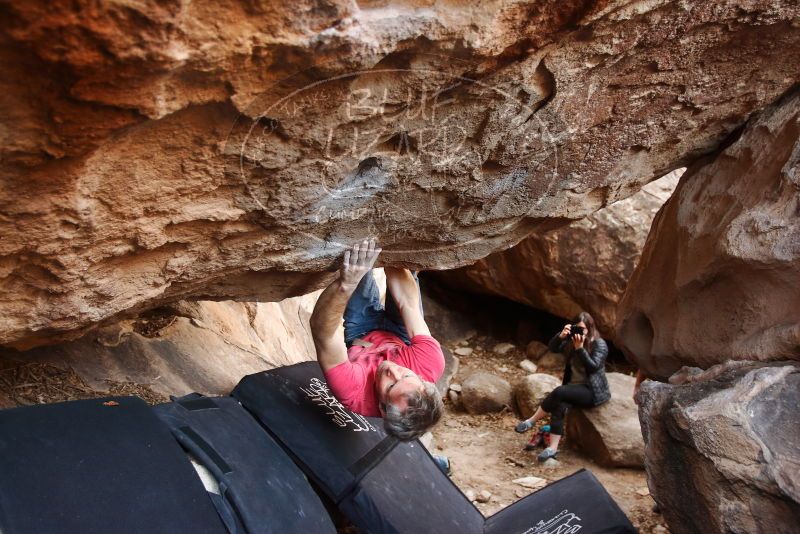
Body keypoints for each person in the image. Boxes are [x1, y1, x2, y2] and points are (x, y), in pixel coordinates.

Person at [310, 238, 445, 442]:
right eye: (406, 376)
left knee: (354, 263)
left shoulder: (353, 394)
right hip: (401, 335)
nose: (393, 371)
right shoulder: (429, 364)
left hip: (361, 334)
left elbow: (323, 332)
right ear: (423, 382)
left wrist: (346, 285)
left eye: (391, 386)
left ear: (382, 408)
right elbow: (408, 304)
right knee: (403, 261)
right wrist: (390, 250)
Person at [513, 312, 611, 462]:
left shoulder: (599, 344)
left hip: (591, 391)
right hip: (573, 388)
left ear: (590, 329)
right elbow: (553, 348)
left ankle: (531, 421)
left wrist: (580, 349)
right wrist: (561, 336)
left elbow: (593, 367)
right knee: (558, 406)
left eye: (583, 329)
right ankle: (552, 448)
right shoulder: (572, 341)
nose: (580, 333)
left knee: (559, 392)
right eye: (576, 329)